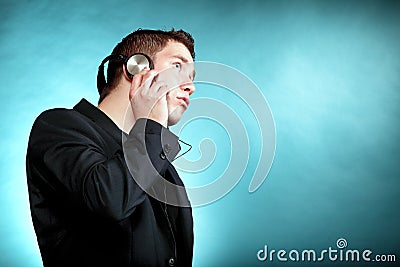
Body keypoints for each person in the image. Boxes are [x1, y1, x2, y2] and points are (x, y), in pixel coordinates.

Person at [26, 29, 196, 267]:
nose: (191, 87)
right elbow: (109, 200)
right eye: (178, 67)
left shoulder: (165, 171)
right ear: (136, 67)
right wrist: (151, 125)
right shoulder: (58, 126)